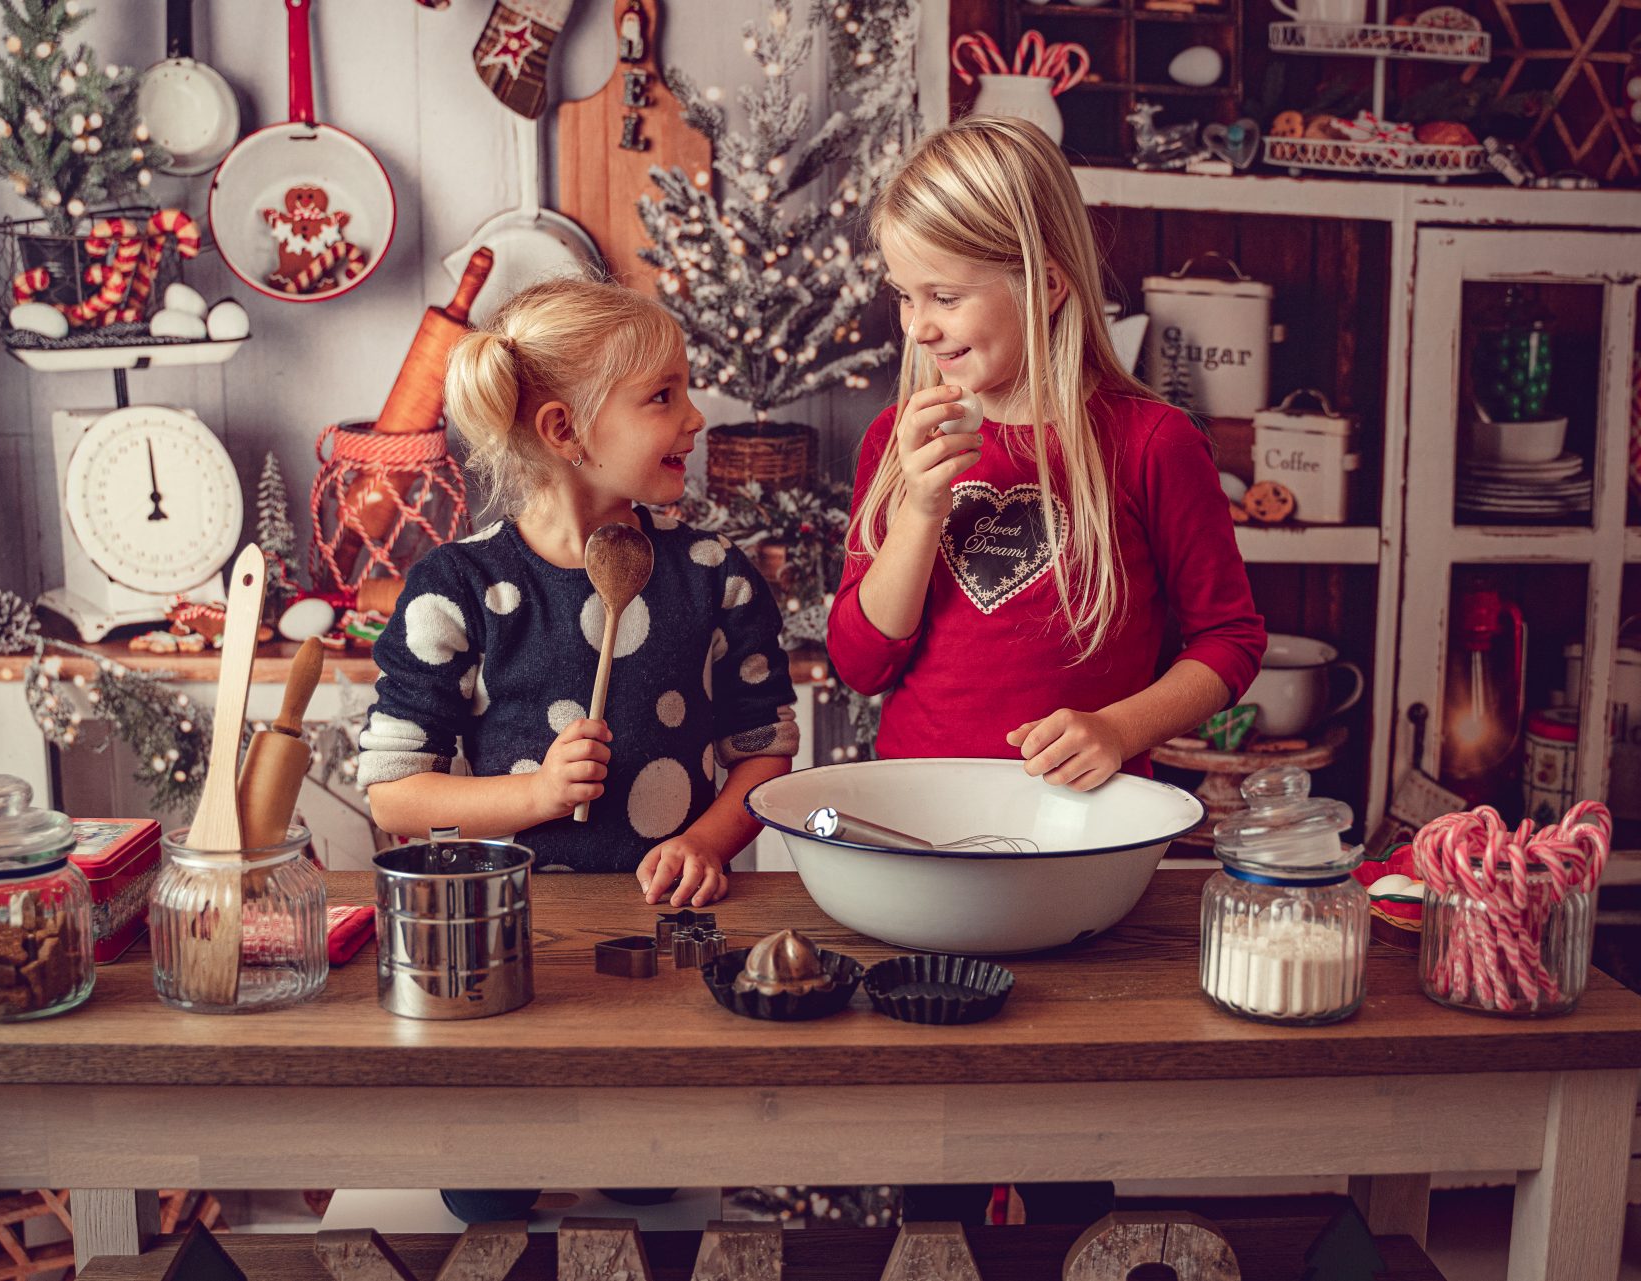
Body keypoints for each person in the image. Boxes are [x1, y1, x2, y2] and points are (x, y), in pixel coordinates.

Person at [827, 117, 1267, 1227]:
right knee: (925, 1139)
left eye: (946, 294)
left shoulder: (1151, 444)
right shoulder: (900, 439)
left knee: (1065, 1124)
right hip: (915, 847)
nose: (920, 326)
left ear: (1047, 282)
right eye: (904, 298)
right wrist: (920, 506)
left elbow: (1230, 641)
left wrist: (1122, 727)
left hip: (1077, 848)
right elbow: (860, 660)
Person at [361, 277, 800, 1224]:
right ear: (565, 430)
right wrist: (533, 796)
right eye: (663, 396)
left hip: (667, 943)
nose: (696, 416)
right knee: (486, 1197)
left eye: (686, 390)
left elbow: (766, 752)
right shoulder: (460, 586)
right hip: (508, 950)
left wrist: (709, 842)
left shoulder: (711, 576)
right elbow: (394, 797)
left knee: (652, 1180)